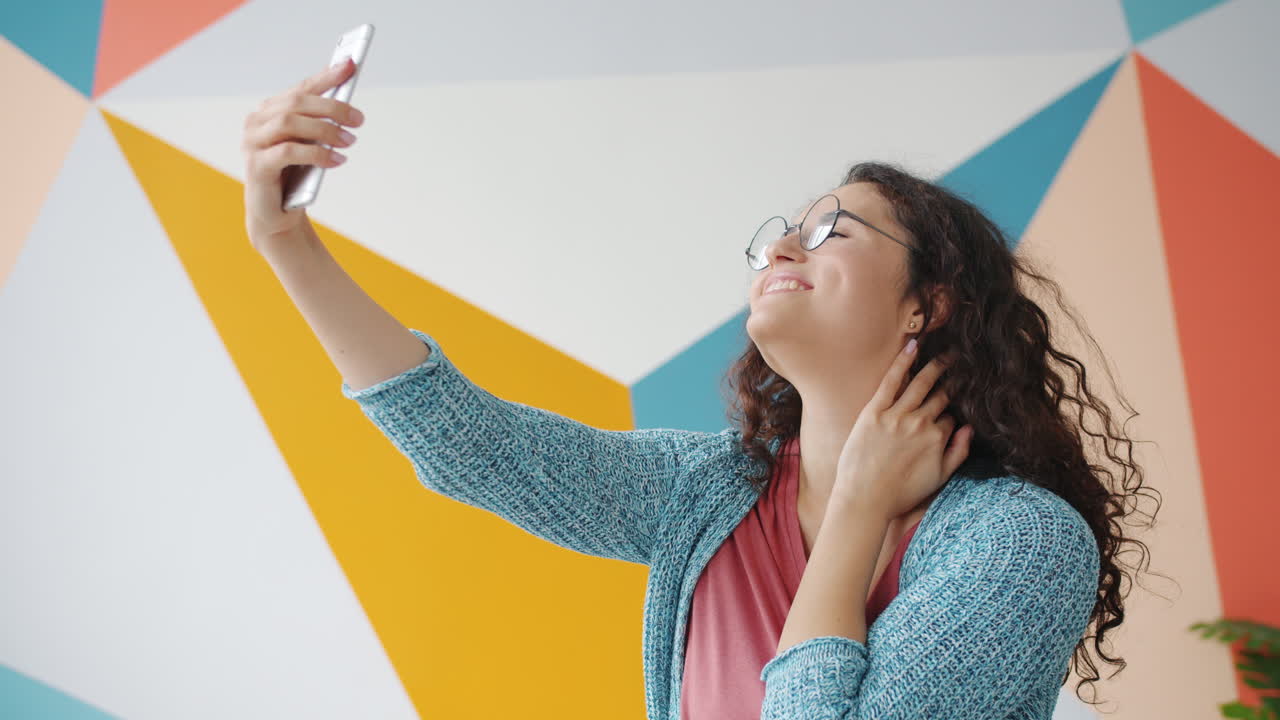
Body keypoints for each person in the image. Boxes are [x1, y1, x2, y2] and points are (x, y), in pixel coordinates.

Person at [240, 60, 1158, 720]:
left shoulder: (1021, 542)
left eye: (835, 230)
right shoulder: (708, 494)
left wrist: (853, 523)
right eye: (779, 235)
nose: (784, 248)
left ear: (929, 302)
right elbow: (468, 447)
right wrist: (285, 240)